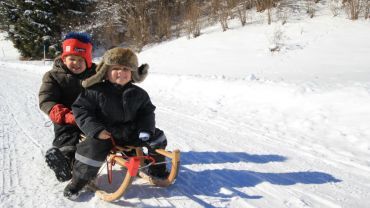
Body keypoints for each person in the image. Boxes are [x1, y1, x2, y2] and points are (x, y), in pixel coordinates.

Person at [64, 47, 168, 199]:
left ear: (132, 72)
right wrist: (96, 130)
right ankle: (79, 180)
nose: (121, 72)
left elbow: (147, 112)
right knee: (91, 149)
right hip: (106, 134)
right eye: (116, 68)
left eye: (126, 68)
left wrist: (146, 129)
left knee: (158, 137)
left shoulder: (139, 94)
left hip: (132, 132)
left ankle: (156, 169)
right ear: (106, 71)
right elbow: (81, 110)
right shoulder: (95, 91)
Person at [38, 32, 96, 182]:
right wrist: (65, 115)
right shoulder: (53, 76)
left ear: (88, 61)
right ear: (64, 58)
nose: (76, 63)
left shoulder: (95, 75)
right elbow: (46, 100)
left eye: (80, 60)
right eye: (72, 59)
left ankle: (136, 154)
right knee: (67, 135)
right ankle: (64, 161)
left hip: (92, 116)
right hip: (67, 116)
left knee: (115, 130)